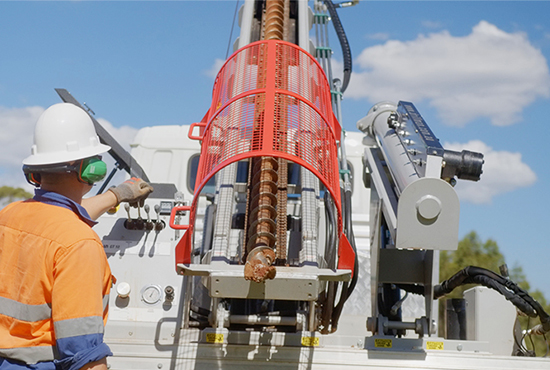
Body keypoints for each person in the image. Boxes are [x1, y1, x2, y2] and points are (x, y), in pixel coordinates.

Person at [0, 103, 153, 370]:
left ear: (37, 170)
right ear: (90, 170)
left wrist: (117, 195)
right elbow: (84, 355)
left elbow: (60, 214)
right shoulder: (79, 244)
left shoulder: (9, 215)